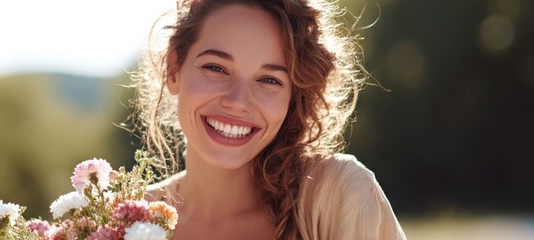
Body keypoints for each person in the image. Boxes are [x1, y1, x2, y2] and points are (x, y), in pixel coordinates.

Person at [135, 0, 407, 239]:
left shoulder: (339, 195)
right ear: (173, 70)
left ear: (292, 96)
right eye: (216, 68)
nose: (238, 102)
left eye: (269, 79)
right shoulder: (122, 219)